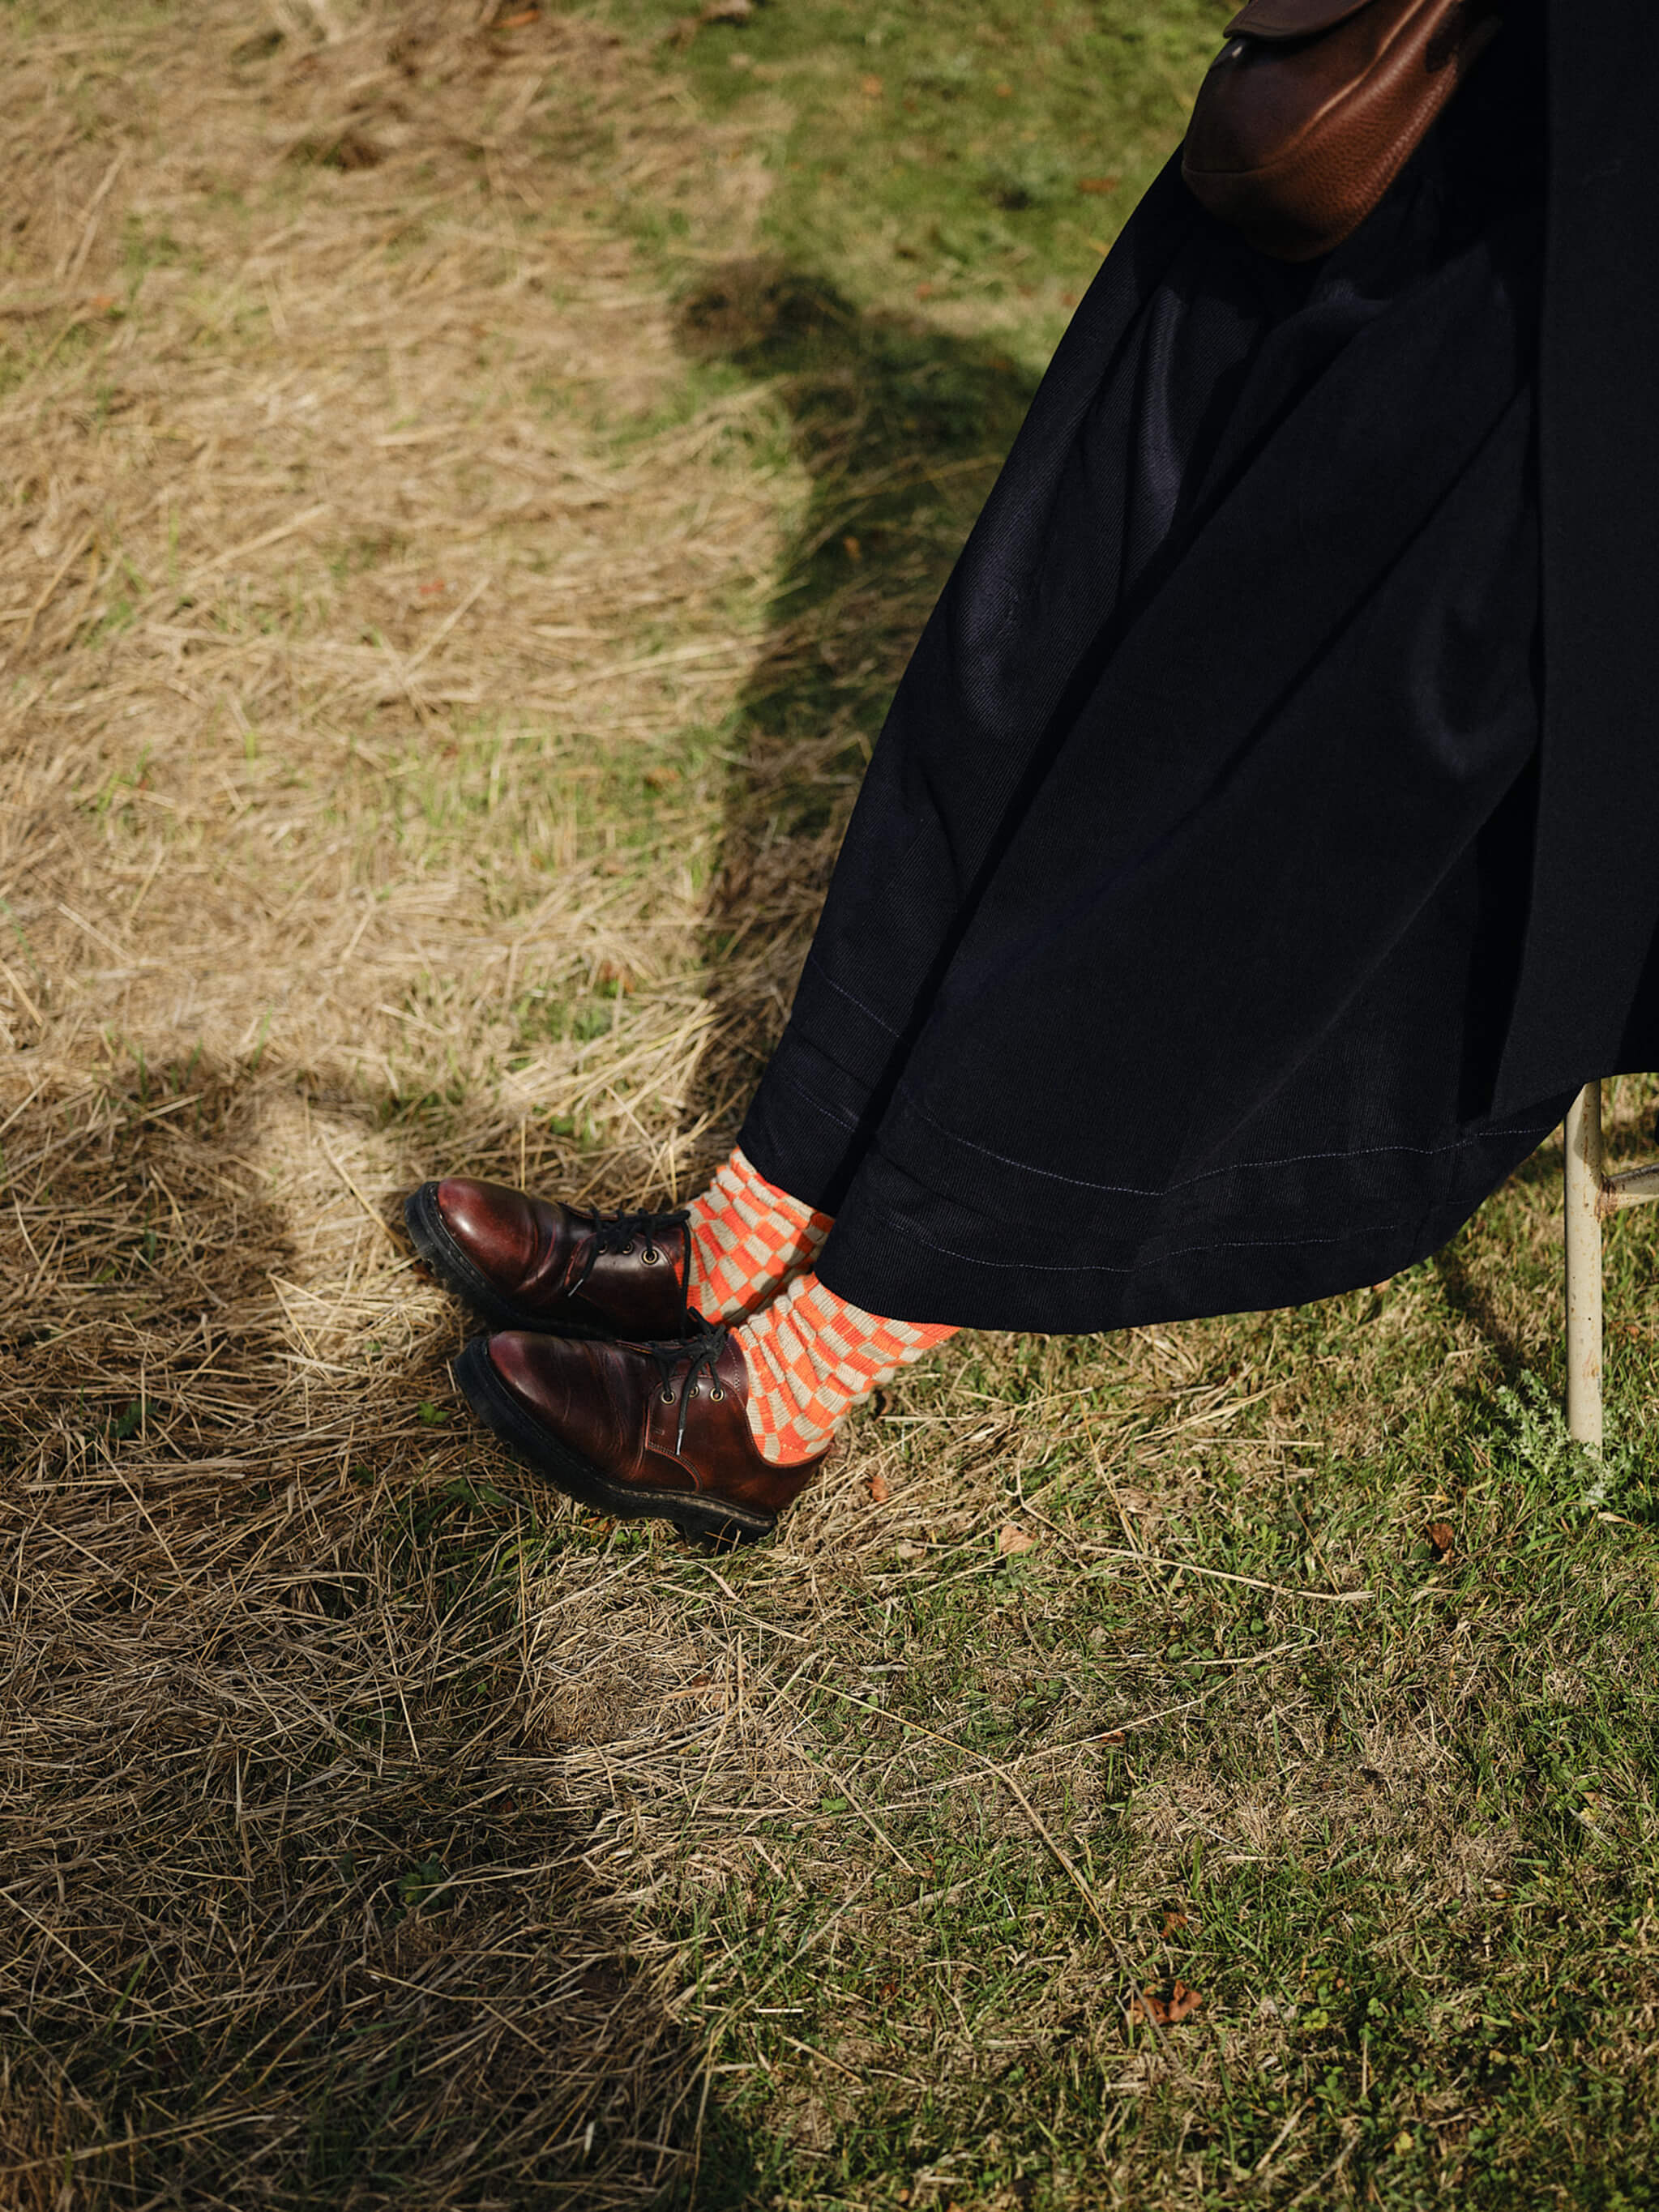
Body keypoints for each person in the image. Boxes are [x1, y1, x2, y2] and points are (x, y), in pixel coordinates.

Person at [407, 0, 1659, 1544]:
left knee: (1259, 791)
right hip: (1437, 86)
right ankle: (756, 1223)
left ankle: (793, 1385)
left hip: (1598, 277)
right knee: (1065, 621)